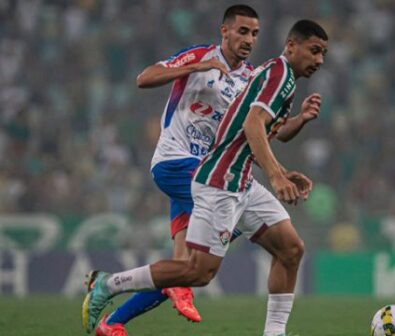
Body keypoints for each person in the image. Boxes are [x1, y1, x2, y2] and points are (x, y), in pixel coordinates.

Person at [82, 19, 328, 336]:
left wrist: (289, 152)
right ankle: (109, 284)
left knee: (290, 249)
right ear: (292, 46)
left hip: (236, 179)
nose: (320, 61)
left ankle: (274, 333)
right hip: (214, 177)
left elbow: (264, 133)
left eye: (323, 54)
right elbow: (253, 126)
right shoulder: (271, 72)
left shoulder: (264, 76)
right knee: (196, 271)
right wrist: (276, 176)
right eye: (315, 51)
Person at [93, 4, 260, 336]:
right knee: (244, 212)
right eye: (242, 31)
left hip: (203, 174)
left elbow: (256, 129)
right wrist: (197, 66)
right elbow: (145, 78)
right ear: (224, 30)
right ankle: (108, 284)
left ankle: (111, 324)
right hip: (175, 161)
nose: (249, 39)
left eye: (255, 33)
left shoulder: (249, 78)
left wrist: (295, 120)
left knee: (184, 270)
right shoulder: (200, 56)